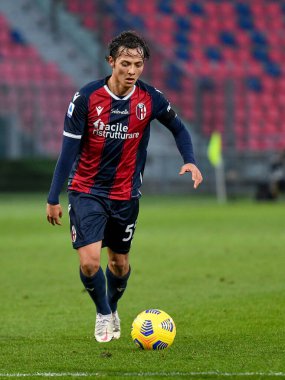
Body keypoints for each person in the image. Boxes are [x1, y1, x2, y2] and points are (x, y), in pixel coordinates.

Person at [46, 30, 203, 343]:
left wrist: (191, 159)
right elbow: (68, 152)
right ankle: (103, 313)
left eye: (138, 64)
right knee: (90, 262)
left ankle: (113, 306)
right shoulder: (86, 99)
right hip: (87, 190)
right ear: (111, 62)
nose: (132, 71)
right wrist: (53, 197)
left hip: (126, 194)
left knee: (119, 264)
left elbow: (179, 128)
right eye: (125, 63)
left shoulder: (150, 98)